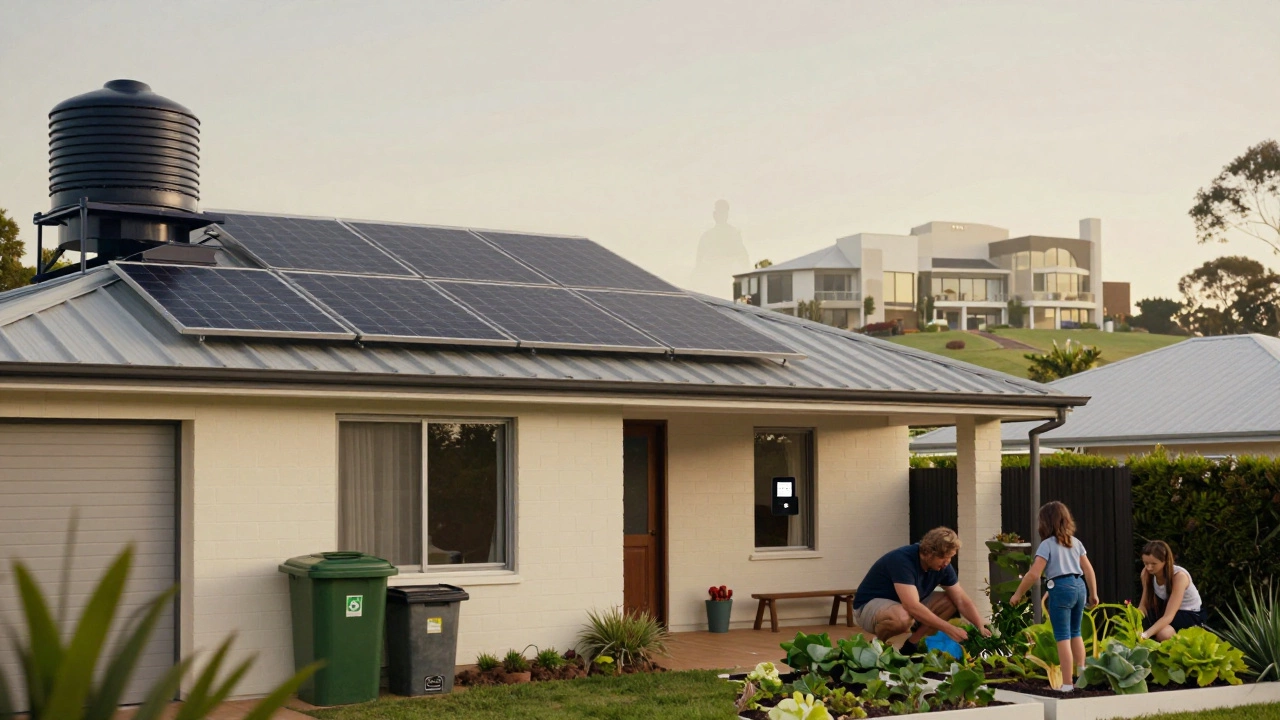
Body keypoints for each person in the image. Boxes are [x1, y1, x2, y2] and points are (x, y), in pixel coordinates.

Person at [852, 527, 992, 655]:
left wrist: (979, 624)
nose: (947, 562)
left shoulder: (943, 567)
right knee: (902, 617)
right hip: (868, 608)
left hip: (903, 606)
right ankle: (878, 647)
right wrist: (949, 629)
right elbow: (911, 605)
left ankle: (912, 644)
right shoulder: (902, 560)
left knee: (950, 600)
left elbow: (961, 599)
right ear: (927, 553)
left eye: (950, 557)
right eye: (943, 557)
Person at [1010, 502, 1099, 693]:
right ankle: (1082, 677)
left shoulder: (1046, 545)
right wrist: (1094, 593)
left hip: (1061, 588)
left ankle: (1067, 684)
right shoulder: (1076, 543)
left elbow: (1034, 574)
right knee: (1076, 632)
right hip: (1079, 586)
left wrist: (1018, 593)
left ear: (1044, 523)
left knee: (1062, 637)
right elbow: (1088, 569)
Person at [1137, 540, 1206, 641]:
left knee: (1163, 634)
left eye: (1153, 564)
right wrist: (1132, 619)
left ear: (1165, 561)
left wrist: (1145, 635)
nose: (1149, 568)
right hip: (1166, 611)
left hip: (1187, 615)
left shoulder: (1179, 577)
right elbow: (1144, 605)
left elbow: (1169, 616)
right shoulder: (1146, 574)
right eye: (1145, 563)